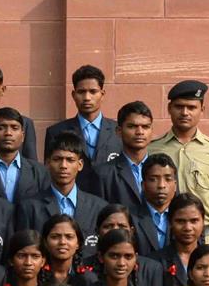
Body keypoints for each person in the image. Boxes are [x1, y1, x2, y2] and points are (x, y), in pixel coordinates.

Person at [148, 80, 209, 254]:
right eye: (179, 107)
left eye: (191, 107)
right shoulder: (151, 149)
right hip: (161, 235)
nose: (185, 113)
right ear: (169, 109)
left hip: (203, 238)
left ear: (202, 110)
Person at [13, 131, 107, 246]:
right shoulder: (30, 207)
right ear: (47, 163)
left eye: (70, 160)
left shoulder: (98, 207)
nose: (63, 166)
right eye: (57, 159)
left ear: (80, 165)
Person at [44, 65, 122, 193]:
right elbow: (50, 173)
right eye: (81, 92)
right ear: (74, 95)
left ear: (102, 94)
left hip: (111, 201)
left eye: (93, 92)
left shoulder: (117, 130)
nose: (87, 98)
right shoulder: (56, 131)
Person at [95, 101, 153, 221]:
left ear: (151, 131)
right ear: (118, 131)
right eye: (132, 126)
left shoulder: (164, 170)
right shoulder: (104, 174)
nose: (140, 132)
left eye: (145, 127)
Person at [0, 107, 51, 205]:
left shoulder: (40, 172)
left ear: (23, 136)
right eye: (1, 128)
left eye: (14, 128)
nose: (8, 133)